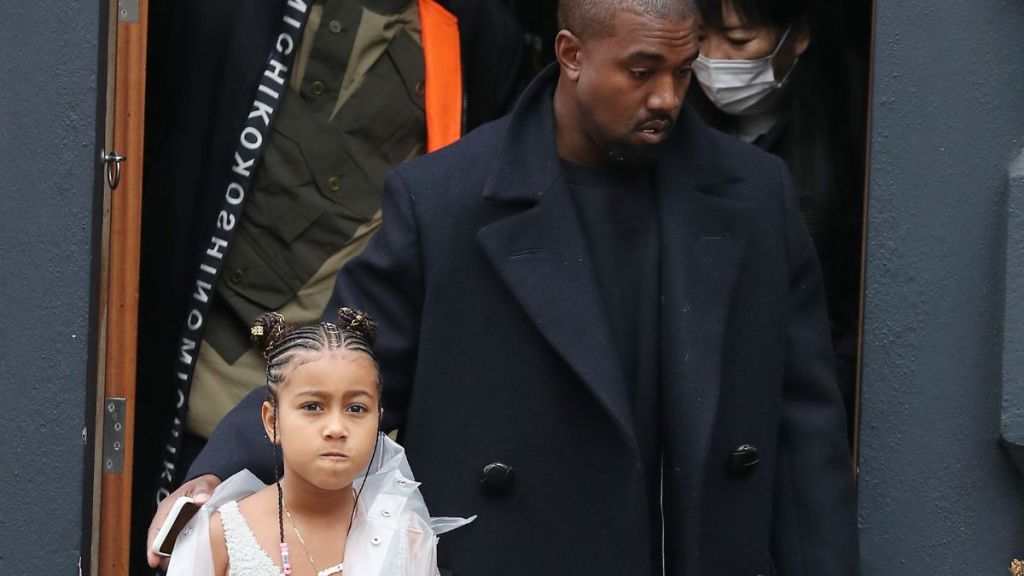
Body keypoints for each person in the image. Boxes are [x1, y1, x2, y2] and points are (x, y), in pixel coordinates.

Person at [150, 0, 860, 573]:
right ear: (572, 57)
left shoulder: (754, 195)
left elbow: (807, 433)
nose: (669, 97)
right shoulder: (449, 199)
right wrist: (216, 472)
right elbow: (344, 356)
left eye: (682, 67)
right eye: (642, 71)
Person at [165, 308, 471, 575]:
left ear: (378, 418)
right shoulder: (219, 535)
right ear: (273, 421)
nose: (336, 428)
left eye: (356, 409)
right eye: (313, 407)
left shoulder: (405, 536)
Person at [690, 0, 869, 437]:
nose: (713, 60)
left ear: (799, 36)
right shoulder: (671, 122)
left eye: (738, 40)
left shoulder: (853, 129)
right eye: (699, 40)